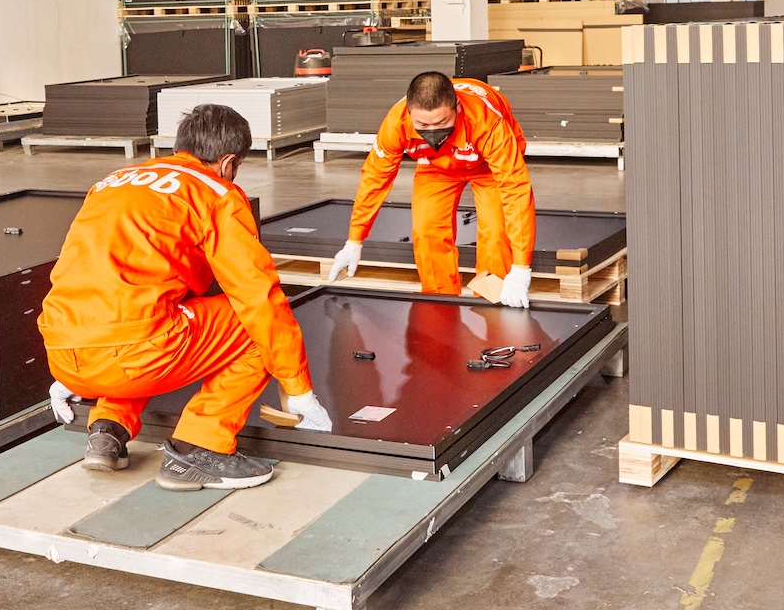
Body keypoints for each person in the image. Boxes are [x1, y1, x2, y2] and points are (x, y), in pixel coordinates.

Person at [41, 104, 332, 492]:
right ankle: (200, 448)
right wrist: (299, 390)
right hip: (132, 353)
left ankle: (109, 428)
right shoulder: (215, 194)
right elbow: (257, 297)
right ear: (228, 162)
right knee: (250, 327)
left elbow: (97, 278)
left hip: (63, 347)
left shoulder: (114, 181)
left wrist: (73, 366)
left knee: (150, 311)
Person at [328, 72, 536, 307]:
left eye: (442, 122)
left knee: (496, 232)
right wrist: (354, 240)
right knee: (427, 231)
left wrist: (521, 268)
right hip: (435, 167)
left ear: (457, 108)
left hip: (488, 166)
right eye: (423, 125)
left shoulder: (487, 124)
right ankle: (441, 304)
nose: (432, 131)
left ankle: (493, 300)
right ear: (409, 113)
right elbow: (374, 179)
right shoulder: (396, 123)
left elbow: (515, 189)